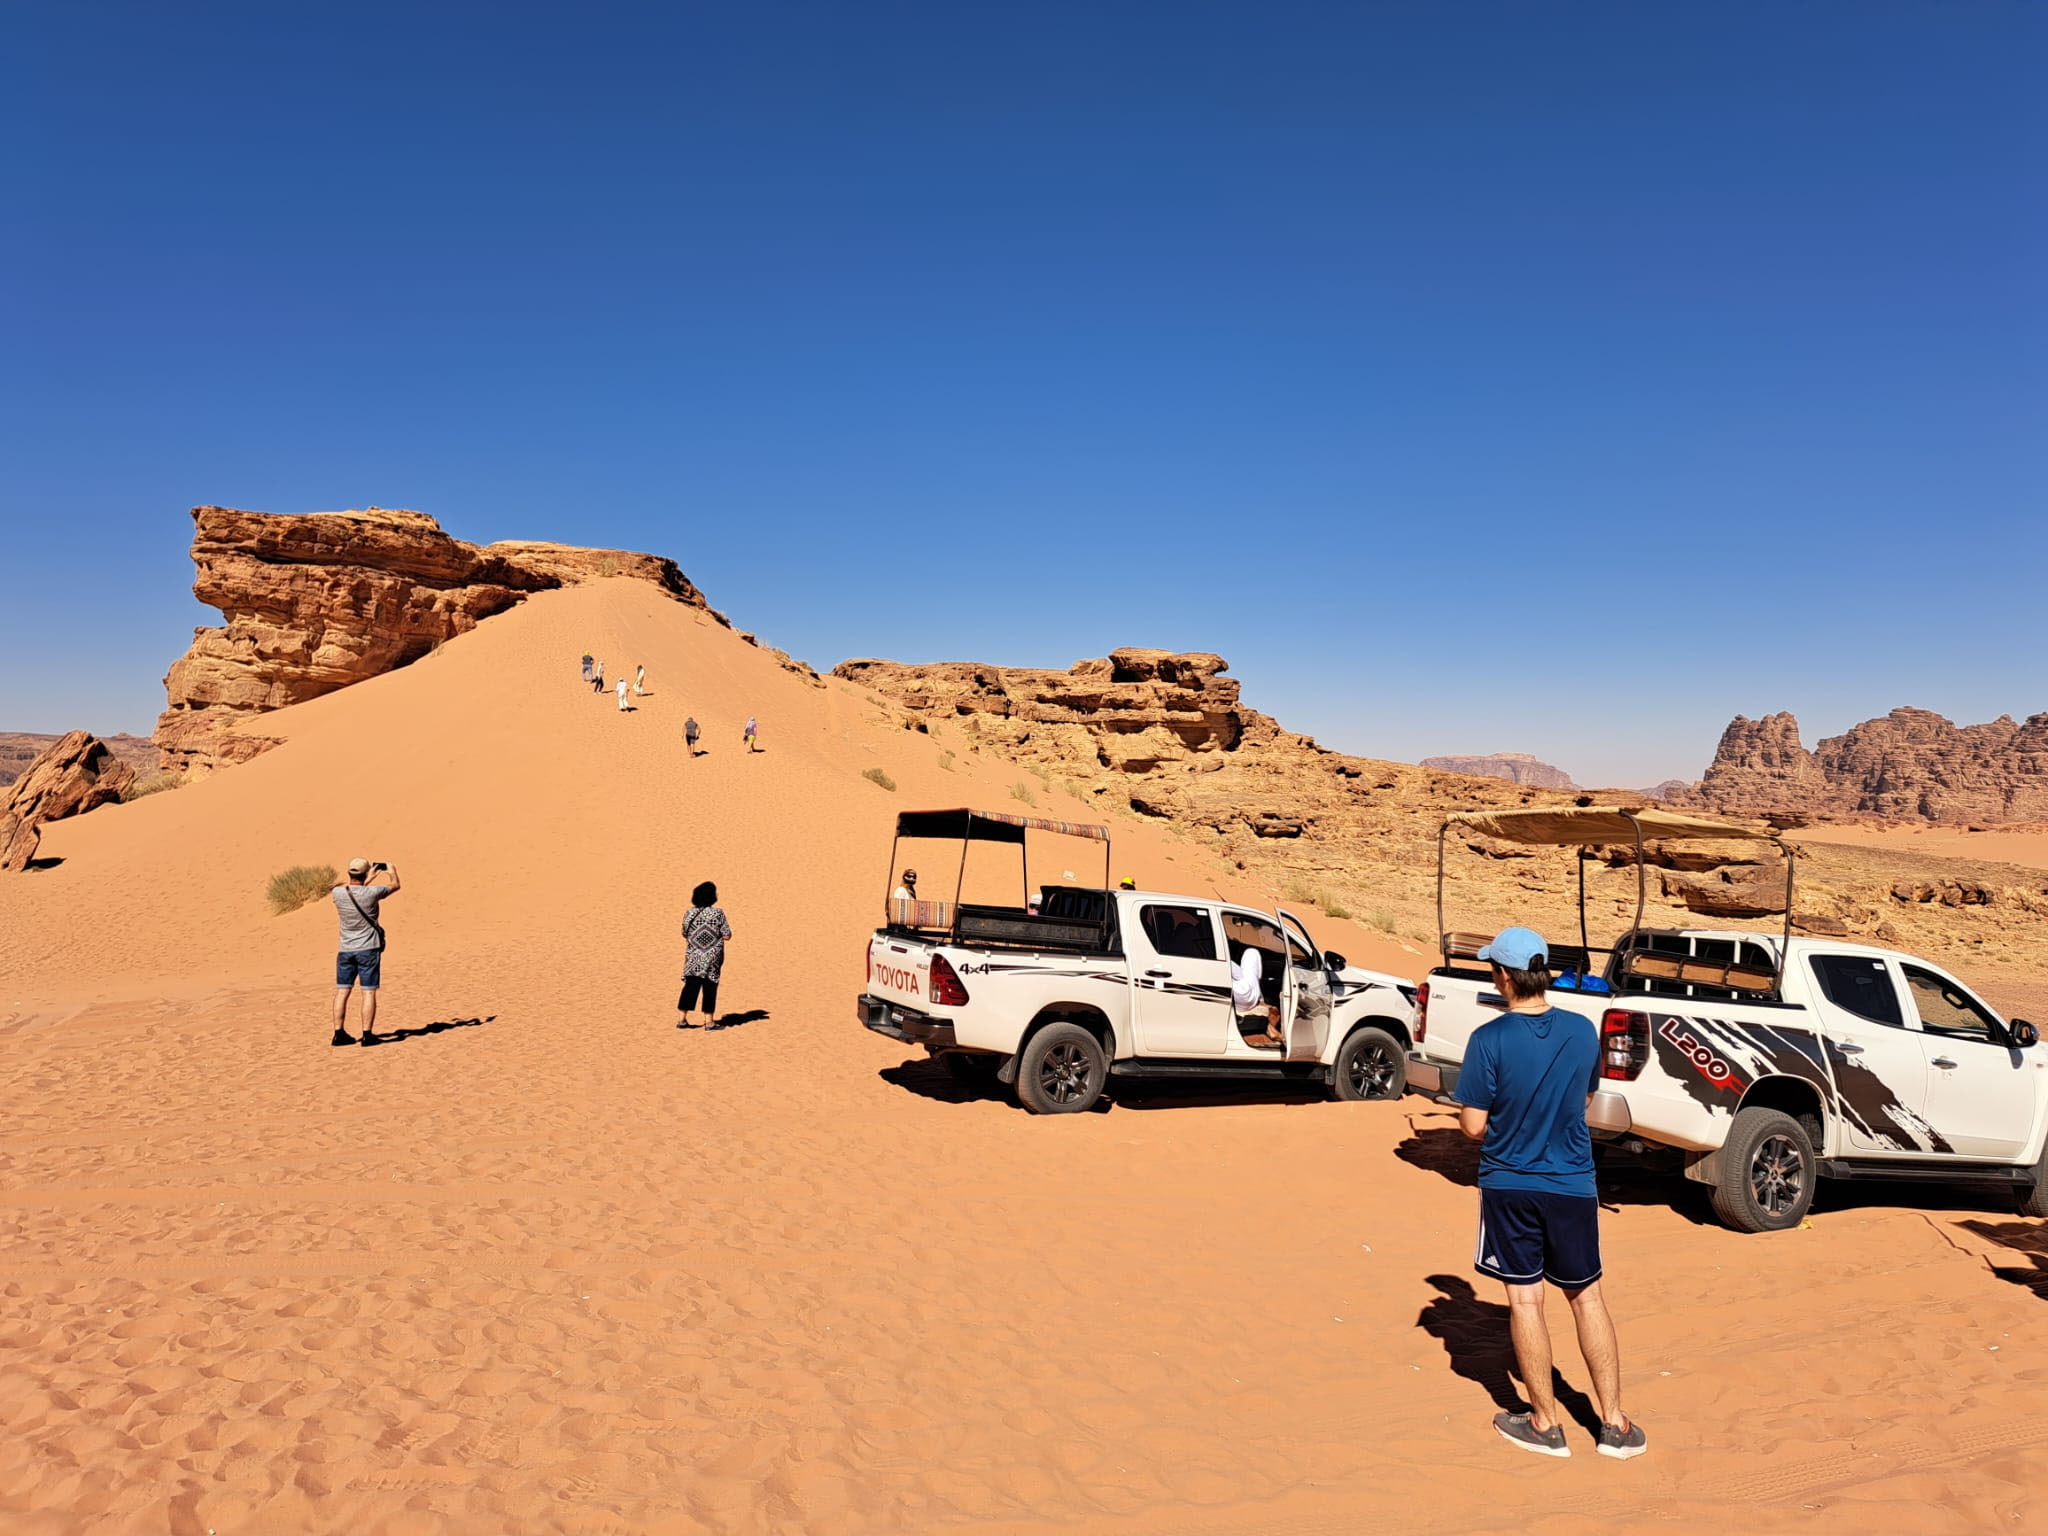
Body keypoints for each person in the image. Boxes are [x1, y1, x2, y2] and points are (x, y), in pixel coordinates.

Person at [1456, 926, 1645, 1461]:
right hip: (1572, 1184)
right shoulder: (1584, 1031)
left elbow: (1472, 1126)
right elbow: (1584, 1097)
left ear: (1506, 977)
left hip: (1510, 1184)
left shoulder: (1487, 1040)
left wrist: (1509, 1123)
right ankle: (1613, 1423)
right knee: (1586, 1296)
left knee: (1525, 1298)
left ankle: (1545, 1423)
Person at [331, 857, 399, 1047]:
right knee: (368, 993)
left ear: (349, 873)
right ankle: (367, 1035)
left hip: (345, 950)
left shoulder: (337, 893)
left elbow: (353, 891)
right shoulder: (372, 893)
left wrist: (367, 879)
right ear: (365, 873)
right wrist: (391, 870)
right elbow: (395, 886)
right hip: (368, 950)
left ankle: (338, 1033)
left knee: (342, 991)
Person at [677, 880, 734, 1028]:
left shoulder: (689, 913)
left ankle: (682, 1019)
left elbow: (684, 933)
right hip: (712, 957)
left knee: (690, 986)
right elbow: (727, 935)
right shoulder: (718, 913)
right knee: (710, 987)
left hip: (693, 957)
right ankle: (709, 1021)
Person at [1231, 944, 1282, 1046]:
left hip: (1236, 998)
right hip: (1247, 995)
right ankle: (1259, 999)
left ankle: (1259, 998)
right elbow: (1238, 974)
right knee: (1251, 952)